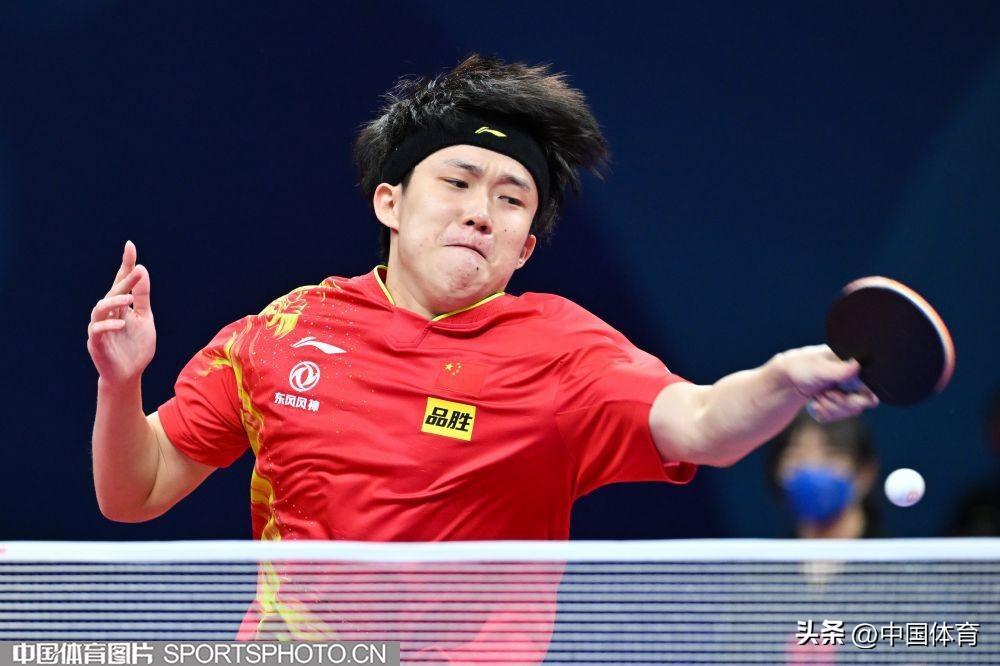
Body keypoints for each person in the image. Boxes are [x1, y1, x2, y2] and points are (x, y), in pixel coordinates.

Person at [86, 54, 879, 649]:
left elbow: (702, 424)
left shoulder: (564, 352)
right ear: (390, 202)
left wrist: (781, 380)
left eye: (510, 199)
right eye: (458, 183)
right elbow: (135, 491)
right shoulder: (281, 332)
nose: (480, 213)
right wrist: (121, 385)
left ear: (525, 248)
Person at [766, 411, 882, 539]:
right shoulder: (772, 551)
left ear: (865, 473)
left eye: (830, 454)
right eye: (796, 454)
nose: (812, 466)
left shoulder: (890, 550)